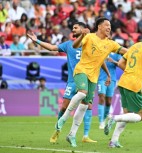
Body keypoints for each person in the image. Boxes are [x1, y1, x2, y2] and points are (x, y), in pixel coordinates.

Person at [55, 17, 127, 147]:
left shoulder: (111, 44)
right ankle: (64, 118)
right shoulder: (89, 37)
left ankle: (71, 135)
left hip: (94, 77)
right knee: (82, 93)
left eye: (110, 26)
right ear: (99, 26)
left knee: (84, 105)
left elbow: (125, 51)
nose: (109, 28)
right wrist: (82, 35)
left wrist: (138, 53)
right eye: (107, 25)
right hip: (81, 70)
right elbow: (75, 45)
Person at [27, 22, 97, 144]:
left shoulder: (91, 44)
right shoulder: (69, 45)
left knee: (88, 106)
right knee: (64, 106)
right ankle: (57, 131)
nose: (73, 30)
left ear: (83, 29)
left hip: (87, 79)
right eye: (73, 28)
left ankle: (85, 135)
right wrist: (36, 41)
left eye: (76, 28)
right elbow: (52, 47)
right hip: (73, 80)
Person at [97, 53, 122, 129]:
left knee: (108, 101)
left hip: (112, 79)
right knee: (102, 96)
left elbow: (121, 65)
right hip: (101, 78)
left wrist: (113, 61)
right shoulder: (101, 51)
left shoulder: (116, 54)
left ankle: (104, 118)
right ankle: (101, 122)